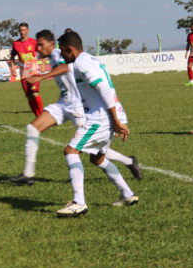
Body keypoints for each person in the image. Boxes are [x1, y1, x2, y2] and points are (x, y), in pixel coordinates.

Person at [8, 29, 141, 186]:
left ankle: (127, 162)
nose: (38, 48)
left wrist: (41, 76)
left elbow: (65, 67)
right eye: (37, 45)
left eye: (41, 45)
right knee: (33, 128)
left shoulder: (59, 54)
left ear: (52, 44)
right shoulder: (54, 56)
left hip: (79, 105)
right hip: (64, 103)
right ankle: (28, 174)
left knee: (87, 147)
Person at [55, 31, 138, 217]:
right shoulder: (92, 59)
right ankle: (127, 194)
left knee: (70, 151)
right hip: (107, 116)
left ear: (70, 49)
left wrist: (116, 121)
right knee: (97, 158)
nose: (61, 55)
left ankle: (78, 203)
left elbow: (105, 89)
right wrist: (118, 119)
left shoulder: (81, 64)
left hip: (99, 119)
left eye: (62, 51)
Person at [8, 22, 44, 116]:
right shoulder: (15, 44)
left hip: (34, 72)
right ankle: (37, 116)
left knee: (35, 93)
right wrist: (12, 66)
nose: (22, 32)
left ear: (27, 31)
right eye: (20, 30)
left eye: (24, 30)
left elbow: (43, 51)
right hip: (23, 74)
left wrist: (43, 62)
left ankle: (42, 116)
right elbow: (12, 56)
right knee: (29, 97)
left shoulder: (33, 42)